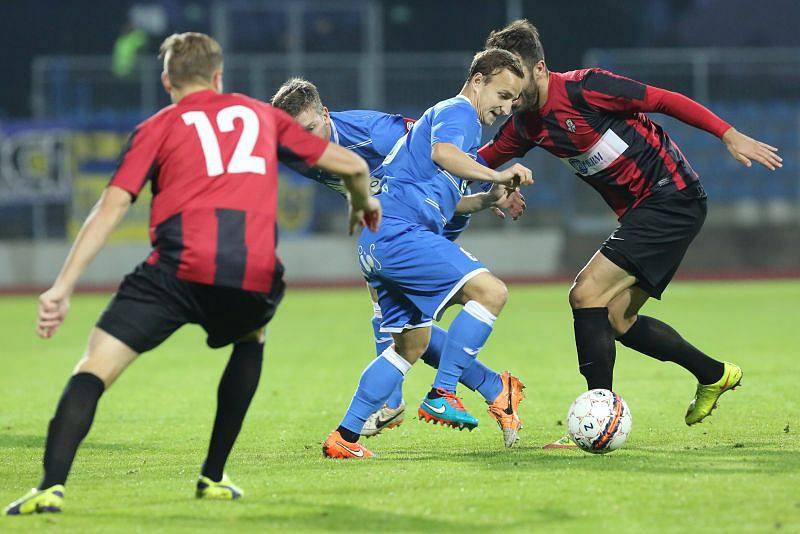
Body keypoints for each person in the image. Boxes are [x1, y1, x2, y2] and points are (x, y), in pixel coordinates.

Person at [4, 32, 380, 516]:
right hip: (252, 271)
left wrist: (62, 285)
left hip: (176, 269)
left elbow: (111, 207)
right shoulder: (261, 116)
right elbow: (351, 164)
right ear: (219, 77)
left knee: (94, 367)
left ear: (166, 81)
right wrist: (361, 202)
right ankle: (214, 474)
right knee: (251, 338)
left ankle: (50, 487)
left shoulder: (158, 127)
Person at [478, 20, 782, 447]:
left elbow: (664, 99)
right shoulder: (526, 124)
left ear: (541, 69)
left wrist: (727, 134)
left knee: (585, 294)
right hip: (649, 210)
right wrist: (496, 187)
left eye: (518, 84)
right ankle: (714, 374)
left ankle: (597, 416)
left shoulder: (587, 88)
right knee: (616, 319)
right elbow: (477, 160)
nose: (512, 98)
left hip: (671, 197)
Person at [271, 78, 526, 438]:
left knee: (434, 315)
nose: (307, 142)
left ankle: (405, 401)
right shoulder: (292, 150)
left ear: (325, 115)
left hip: (422, 220)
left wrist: (486, 188)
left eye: (311, 129)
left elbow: (436, 145)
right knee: (409, 335)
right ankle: (491, 389)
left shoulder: (375, 133)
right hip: (388, 228)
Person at [321, 48, 534, 459]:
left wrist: (489, 198)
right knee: (491, 292)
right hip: (400, 233)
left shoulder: (448, 129)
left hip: (377, 240)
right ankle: (444, 392)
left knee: (410, 345)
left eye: (512, 102)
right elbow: (444, 155)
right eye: (502, 95)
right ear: (478, 80)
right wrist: (499, 172)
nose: (506, 108)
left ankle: (344, 439)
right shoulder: (460, 114)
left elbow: (445, 201)